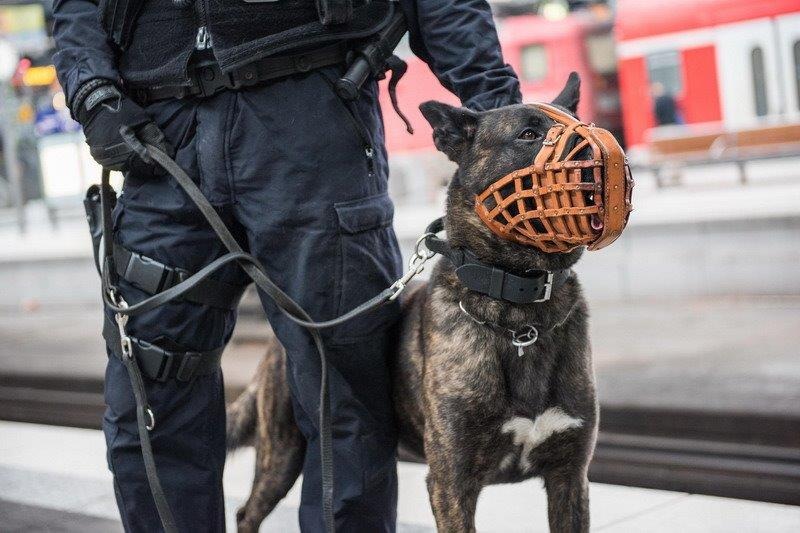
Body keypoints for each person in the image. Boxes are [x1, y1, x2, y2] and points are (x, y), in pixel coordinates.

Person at [52, 1, 521, 531]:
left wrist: (498, 111)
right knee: (149, 386)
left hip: (313, 119)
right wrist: (92, 92)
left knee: (343, 389)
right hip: (159, 137)